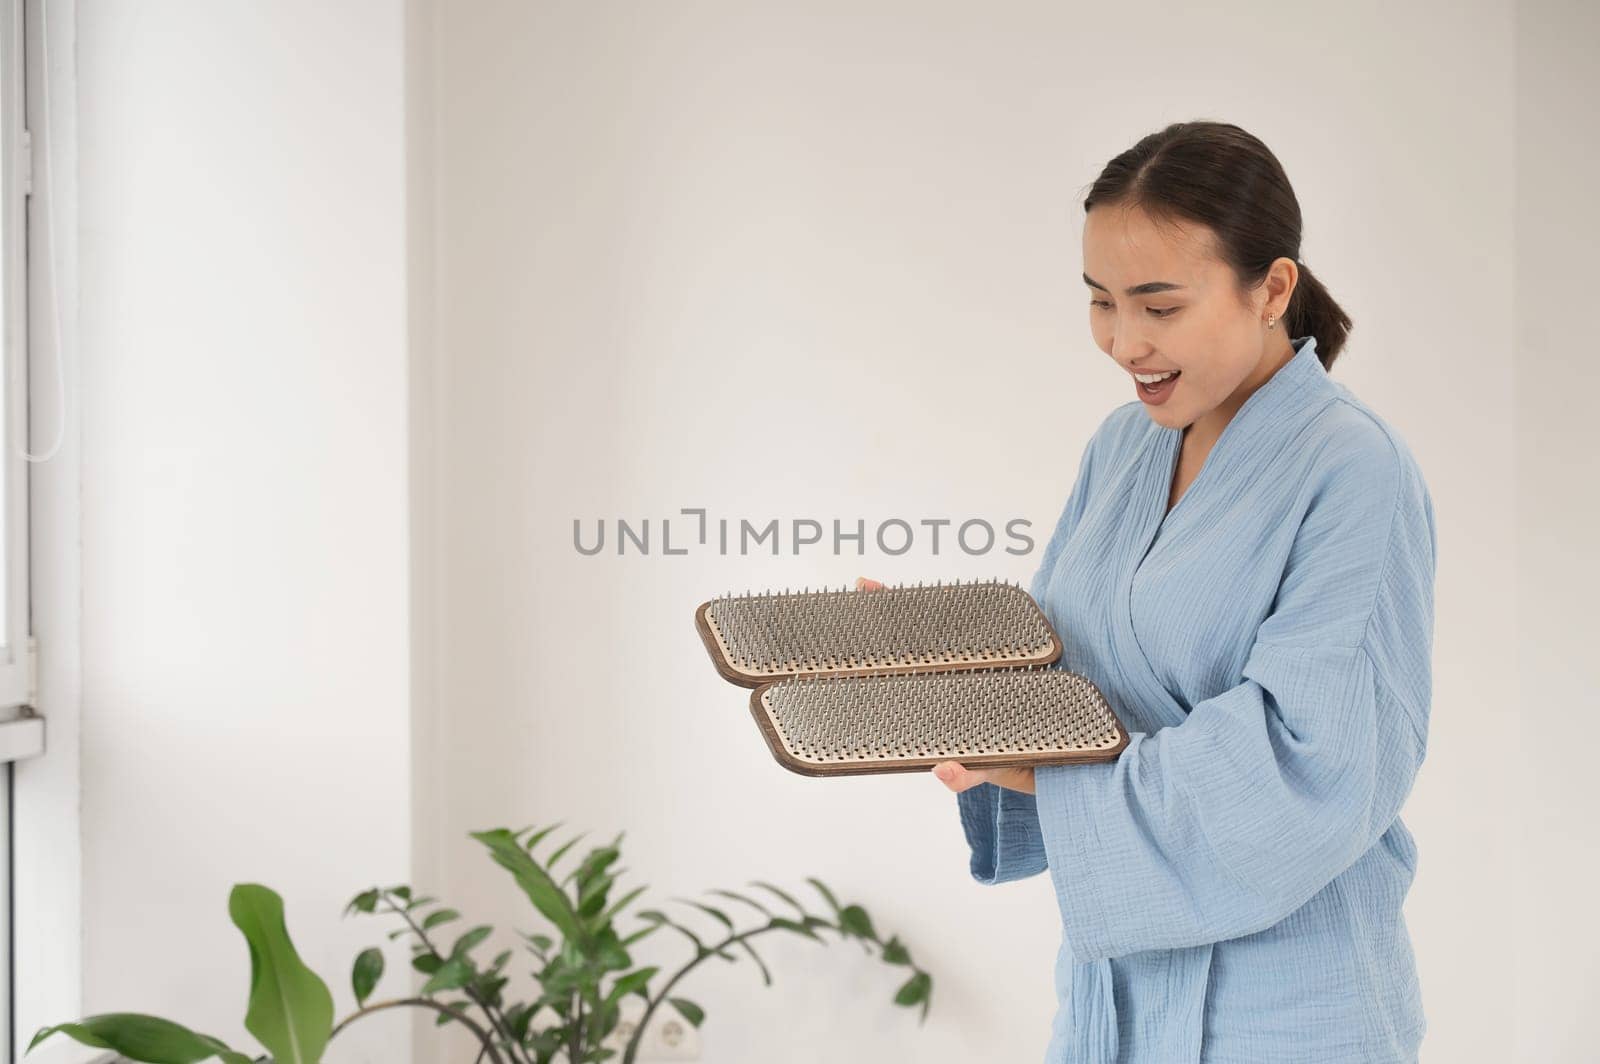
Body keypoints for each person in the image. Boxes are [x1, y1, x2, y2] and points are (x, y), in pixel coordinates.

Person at [860, 120, 1435, 1063]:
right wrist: (944, 665)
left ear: (1273, 288)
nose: (1123, 343)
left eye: (1159, 307)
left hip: (1286, 1011)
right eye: (1100, 303)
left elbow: (1314, 761)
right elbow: (1073, 668)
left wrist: (1045, 773)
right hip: (1111, 1008)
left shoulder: (1353, 470)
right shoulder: (1124, 448)